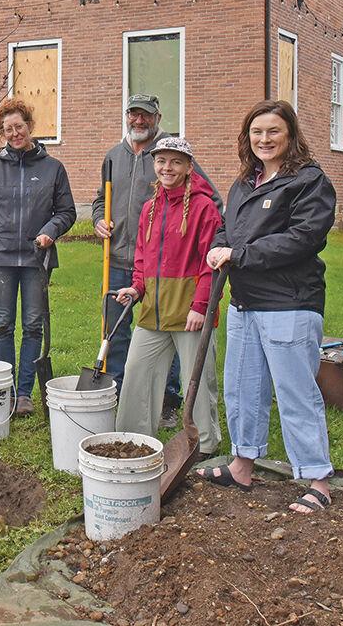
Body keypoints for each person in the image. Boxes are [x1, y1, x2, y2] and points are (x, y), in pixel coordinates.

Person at [198, 100, 337, 514]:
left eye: (273, 131)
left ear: (290, 135)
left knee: (295, 392)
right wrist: (219, 246)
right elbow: (227, 227)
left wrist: (238, 254)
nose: (264, 139)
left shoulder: (309, 182)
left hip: (289, 303)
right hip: (245, 302)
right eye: (257, 132)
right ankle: (242, 464)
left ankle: (318, 478)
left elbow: (303, 238)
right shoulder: (245, 183)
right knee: (242, 388)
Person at [91, 93, 220, 415]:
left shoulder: (171, 153)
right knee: (116, 330)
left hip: (170, 268)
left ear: (157, 117)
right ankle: (119, 389)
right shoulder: (113, 156)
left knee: (172, 334)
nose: (138, 121)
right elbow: (98, 199)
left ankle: (168, 398)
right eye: (133, 115)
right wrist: (98, 220)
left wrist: (188, 237)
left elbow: (210, 201)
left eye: (145, 115)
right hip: (123, 260)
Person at [113, 137, 222, 455]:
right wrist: (136, 288)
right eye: (161, 161)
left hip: (190, 312)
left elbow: (211, 264)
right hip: (153, 310)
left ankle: (204, 446)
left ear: (189, 167)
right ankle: (132, 440)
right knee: (137, 374)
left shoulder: (205, 208)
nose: (167, 167)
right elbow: (143, 259)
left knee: (196, 383)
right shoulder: (149, 208)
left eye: (175, 161)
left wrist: (201, 306)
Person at [0, 98, 77, 416]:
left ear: (30, 126)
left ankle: (25, 395)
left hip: (36, 259)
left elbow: (67, 211)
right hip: (2, 259)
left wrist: (50, 230)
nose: (15, 133)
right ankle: (6, 391)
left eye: (19, 126)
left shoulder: (52, 169)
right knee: (2, 325)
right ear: (2, 133)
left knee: (33, 326)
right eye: (8, 129)